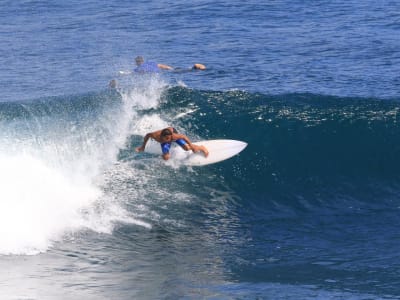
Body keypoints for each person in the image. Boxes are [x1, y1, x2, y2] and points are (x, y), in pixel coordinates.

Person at [136, 127, 209, 160]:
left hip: (172, 130)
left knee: (186, 148)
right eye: (167, 138)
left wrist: (192, 146)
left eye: (170, 138)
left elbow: (184, 137)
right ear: (162, 136)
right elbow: (147, 136)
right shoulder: (155, 136)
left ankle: (202, 147)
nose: (169, 140)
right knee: (166, 158)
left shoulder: (173, 136)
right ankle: (164, 155)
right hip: (165, 135)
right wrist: (143, 147)